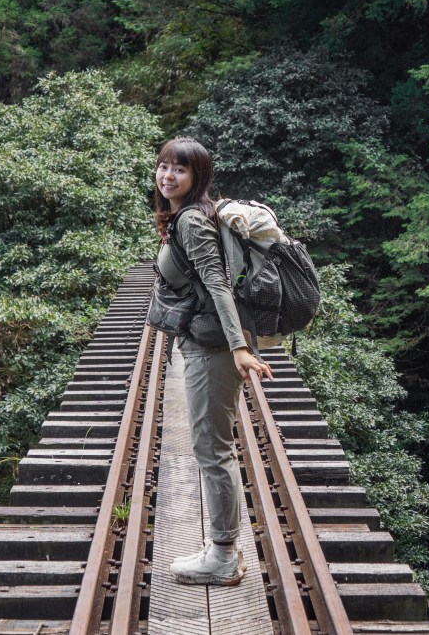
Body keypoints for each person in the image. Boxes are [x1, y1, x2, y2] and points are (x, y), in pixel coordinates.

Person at [152, 136, 274, 587]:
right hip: (208, 344)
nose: (168, 176)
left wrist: (239, 347)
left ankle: (222, 556)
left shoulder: (191, 222)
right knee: (214, 448)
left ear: (197, 176)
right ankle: (222, 548)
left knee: (212, 451)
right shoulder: (187, 215)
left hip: (213, 350)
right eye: (163, 166)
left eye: (179, 170)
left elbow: (218, 284)